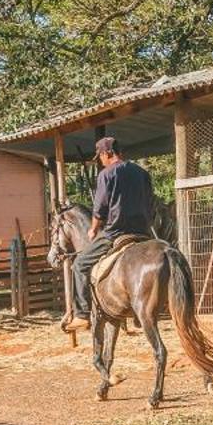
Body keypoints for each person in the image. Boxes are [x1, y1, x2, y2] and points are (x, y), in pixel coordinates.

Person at [73, 135, 156, 322]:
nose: (101, 161)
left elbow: (100, 208)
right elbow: (151, 203)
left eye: (100, 157)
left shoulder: (106, 174)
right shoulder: (142, 173)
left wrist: (93, 229)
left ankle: (81, 314)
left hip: (116, 232)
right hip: (143, 232)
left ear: (107, 153)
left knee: (79, 265)